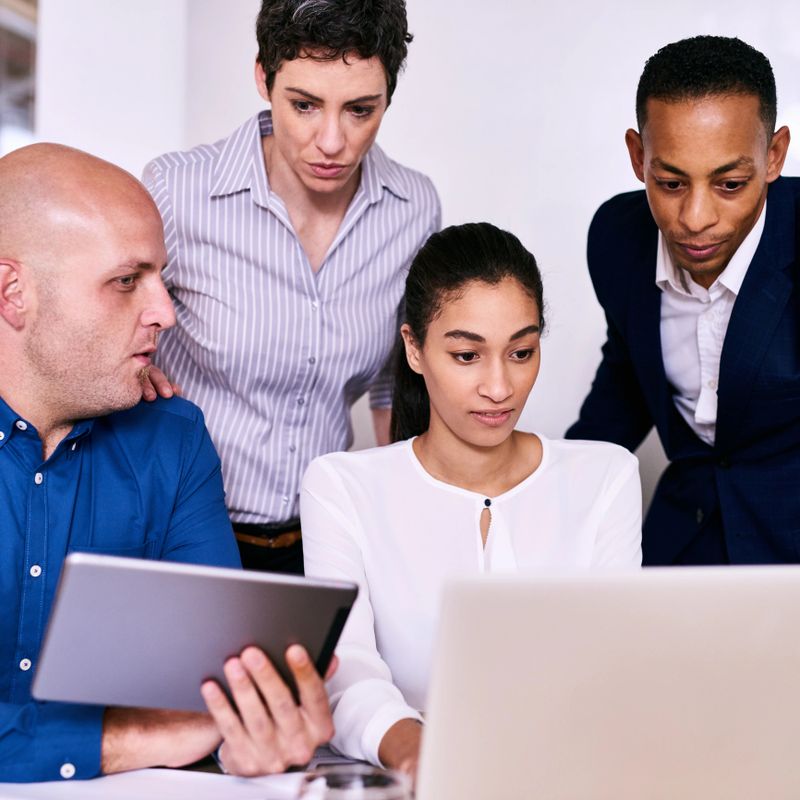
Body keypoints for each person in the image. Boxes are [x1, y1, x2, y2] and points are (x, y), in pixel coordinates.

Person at [0, 143, 334, 783]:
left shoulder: (175, 442)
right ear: (14, 292)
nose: (166, 313)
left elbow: (209, 697)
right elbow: (172, 728)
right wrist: (126, 739)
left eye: (162, 278)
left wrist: (246, 737)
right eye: (127, 281)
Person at [301, 223, 642, 778]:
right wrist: (421, 755)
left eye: (522, 351)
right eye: (466, 355)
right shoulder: (341, 487)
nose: (499, 386)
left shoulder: (604, 476)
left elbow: (615, 665)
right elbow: (346, 672)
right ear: (414, 349)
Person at [142, 0, 440, 575]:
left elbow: (391, 382)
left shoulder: (413, 208)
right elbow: (110, 326)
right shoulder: (178, 191)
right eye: (304, 105)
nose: (332, 141)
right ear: (263, 77)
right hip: (180, 527)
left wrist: (401, 524)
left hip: (325, 532)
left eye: (360, 109)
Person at [566, 35, 799, 565]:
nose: (695, 219)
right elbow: (624, 389)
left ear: (775, 155)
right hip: (681, 544)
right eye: (670, 183)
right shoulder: (616, 238)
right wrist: (531, 487)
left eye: (730, 184)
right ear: (637, 155)